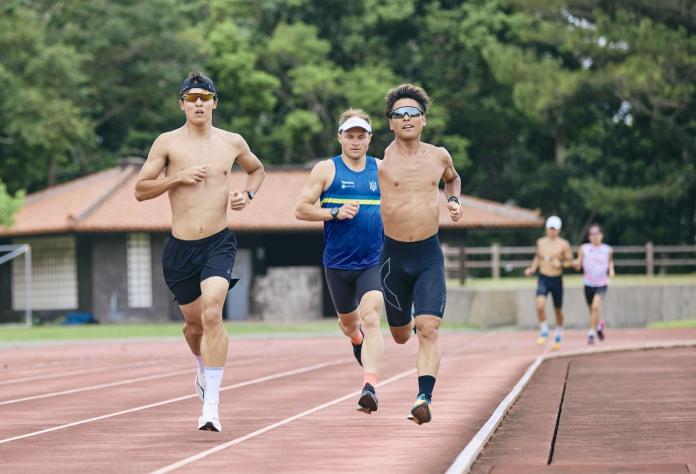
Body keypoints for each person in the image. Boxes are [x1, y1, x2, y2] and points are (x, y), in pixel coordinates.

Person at [134, 71, 265, 432]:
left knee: (212, 312)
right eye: (191, 98)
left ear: (214, 103)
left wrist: (247, 195)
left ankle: (212, 406)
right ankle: (200, 365)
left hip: (218, 243)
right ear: (182, 104)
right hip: (180, 249)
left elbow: (256, 170)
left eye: (204, 98)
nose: (198, 104)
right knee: (194, 326)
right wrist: (177, 177)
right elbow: (141, 190)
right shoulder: (167, 143)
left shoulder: (232, 141)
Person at [378, 84, 462, 424]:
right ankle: (406, 325)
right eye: (399, 114)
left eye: (413, 113)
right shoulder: (379, 162)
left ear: (424, 120)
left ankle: (423, 396)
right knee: (401, 335)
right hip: (392, 257)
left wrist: (454, 200)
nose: (406, 118)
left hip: (428, 253)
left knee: (428, 328)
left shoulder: (439, 156)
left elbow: (453, 181)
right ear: (390, 123)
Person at [295, 109, 384, 414]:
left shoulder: (381, 170)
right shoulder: (326, 170)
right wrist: (333, 212)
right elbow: (301, 209)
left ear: (370, 139)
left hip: (373, 261)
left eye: (362, 136)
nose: (356, 141)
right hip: (337, 263)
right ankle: (355, 338)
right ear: (340, 137)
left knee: (372, 317)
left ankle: (369, 386)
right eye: (350, 135)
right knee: (350, 325)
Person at [524, 216, 574, 350]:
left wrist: (561, 264)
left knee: (557, 310)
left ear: (558, 230)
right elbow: (538, 257)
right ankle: (544, 329)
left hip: (556, 279)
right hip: (543, 277)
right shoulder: (540, 242)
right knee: (539, 304)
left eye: (555, 229)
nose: (552, 231)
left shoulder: (564, 244)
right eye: (550, 228)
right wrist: (532, 269)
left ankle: (559, 332)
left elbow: (572, 262)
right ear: (547, 228)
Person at [574, 223, 614, 344]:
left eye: (597, 234)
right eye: (592, 234)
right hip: (588, 283)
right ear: (589, 236)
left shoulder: (607, 249)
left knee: (595, 306)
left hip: (602, 283)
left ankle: (591, 334)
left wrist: (611, 270)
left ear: (601, 235)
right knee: (592, 310)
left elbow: (610, 262)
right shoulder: (584, 248)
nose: (595, 237)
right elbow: (578, 264)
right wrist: (575, 264)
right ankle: (598, 327)